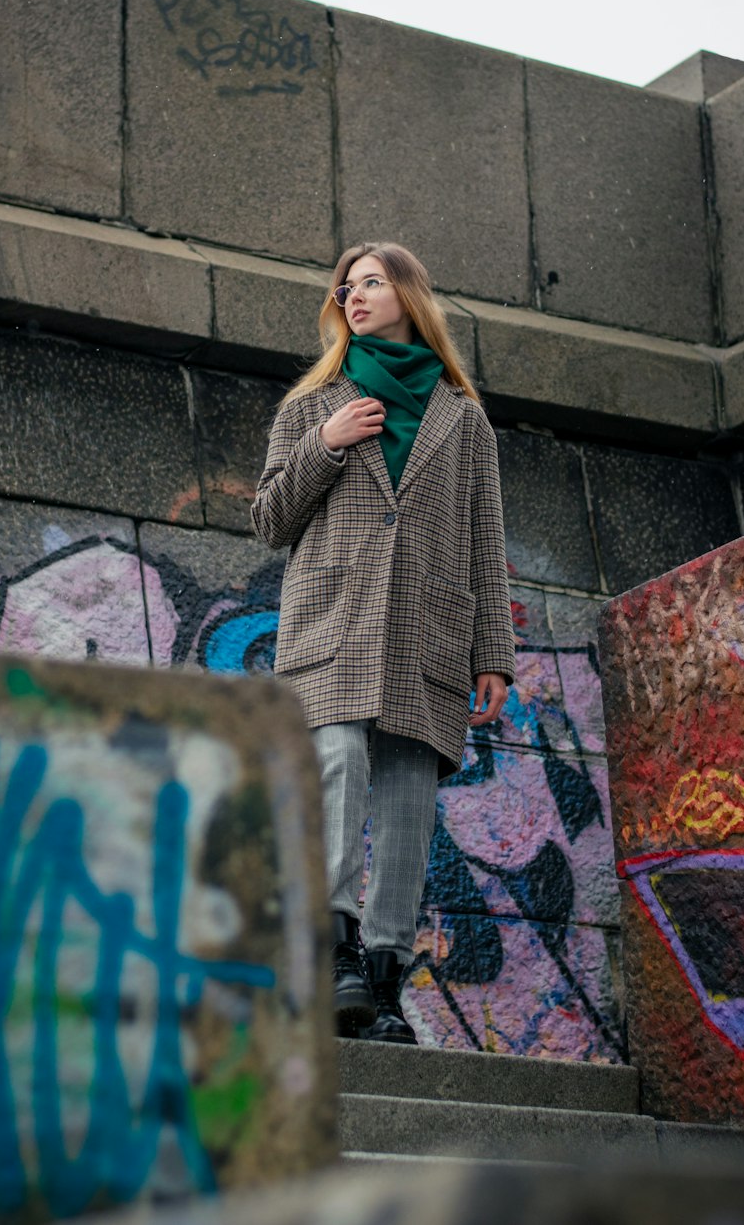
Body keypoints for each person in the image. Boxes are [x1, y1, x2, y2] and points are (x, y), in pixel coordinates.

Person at [250, 243, 515, 1043]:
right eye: (347, 285)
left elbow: (482, 536)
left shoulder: (462, 419)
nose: (354, 295)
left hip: (427, 630)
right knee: (336, 764)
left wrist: (492, 652)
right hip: (332, 622)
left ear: (408, 295)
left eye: (371, 282)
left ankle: (387, 981)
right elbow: (269, 520)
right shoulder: (313, 405)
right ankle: (335, 953)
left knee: (407, 806)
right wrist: (326, 444)